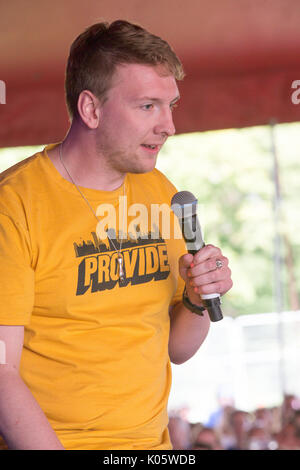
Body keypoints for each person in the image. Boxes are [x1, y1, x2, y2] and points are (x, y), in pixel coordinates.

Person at [0, 20, 233, 450]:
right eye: (148, 106)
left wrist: (198, 298)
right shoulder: (14, 205)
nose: (169, 126)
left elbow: (176, 349)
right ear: (91, 109)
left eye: (171, 106)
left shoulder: (161, 192)